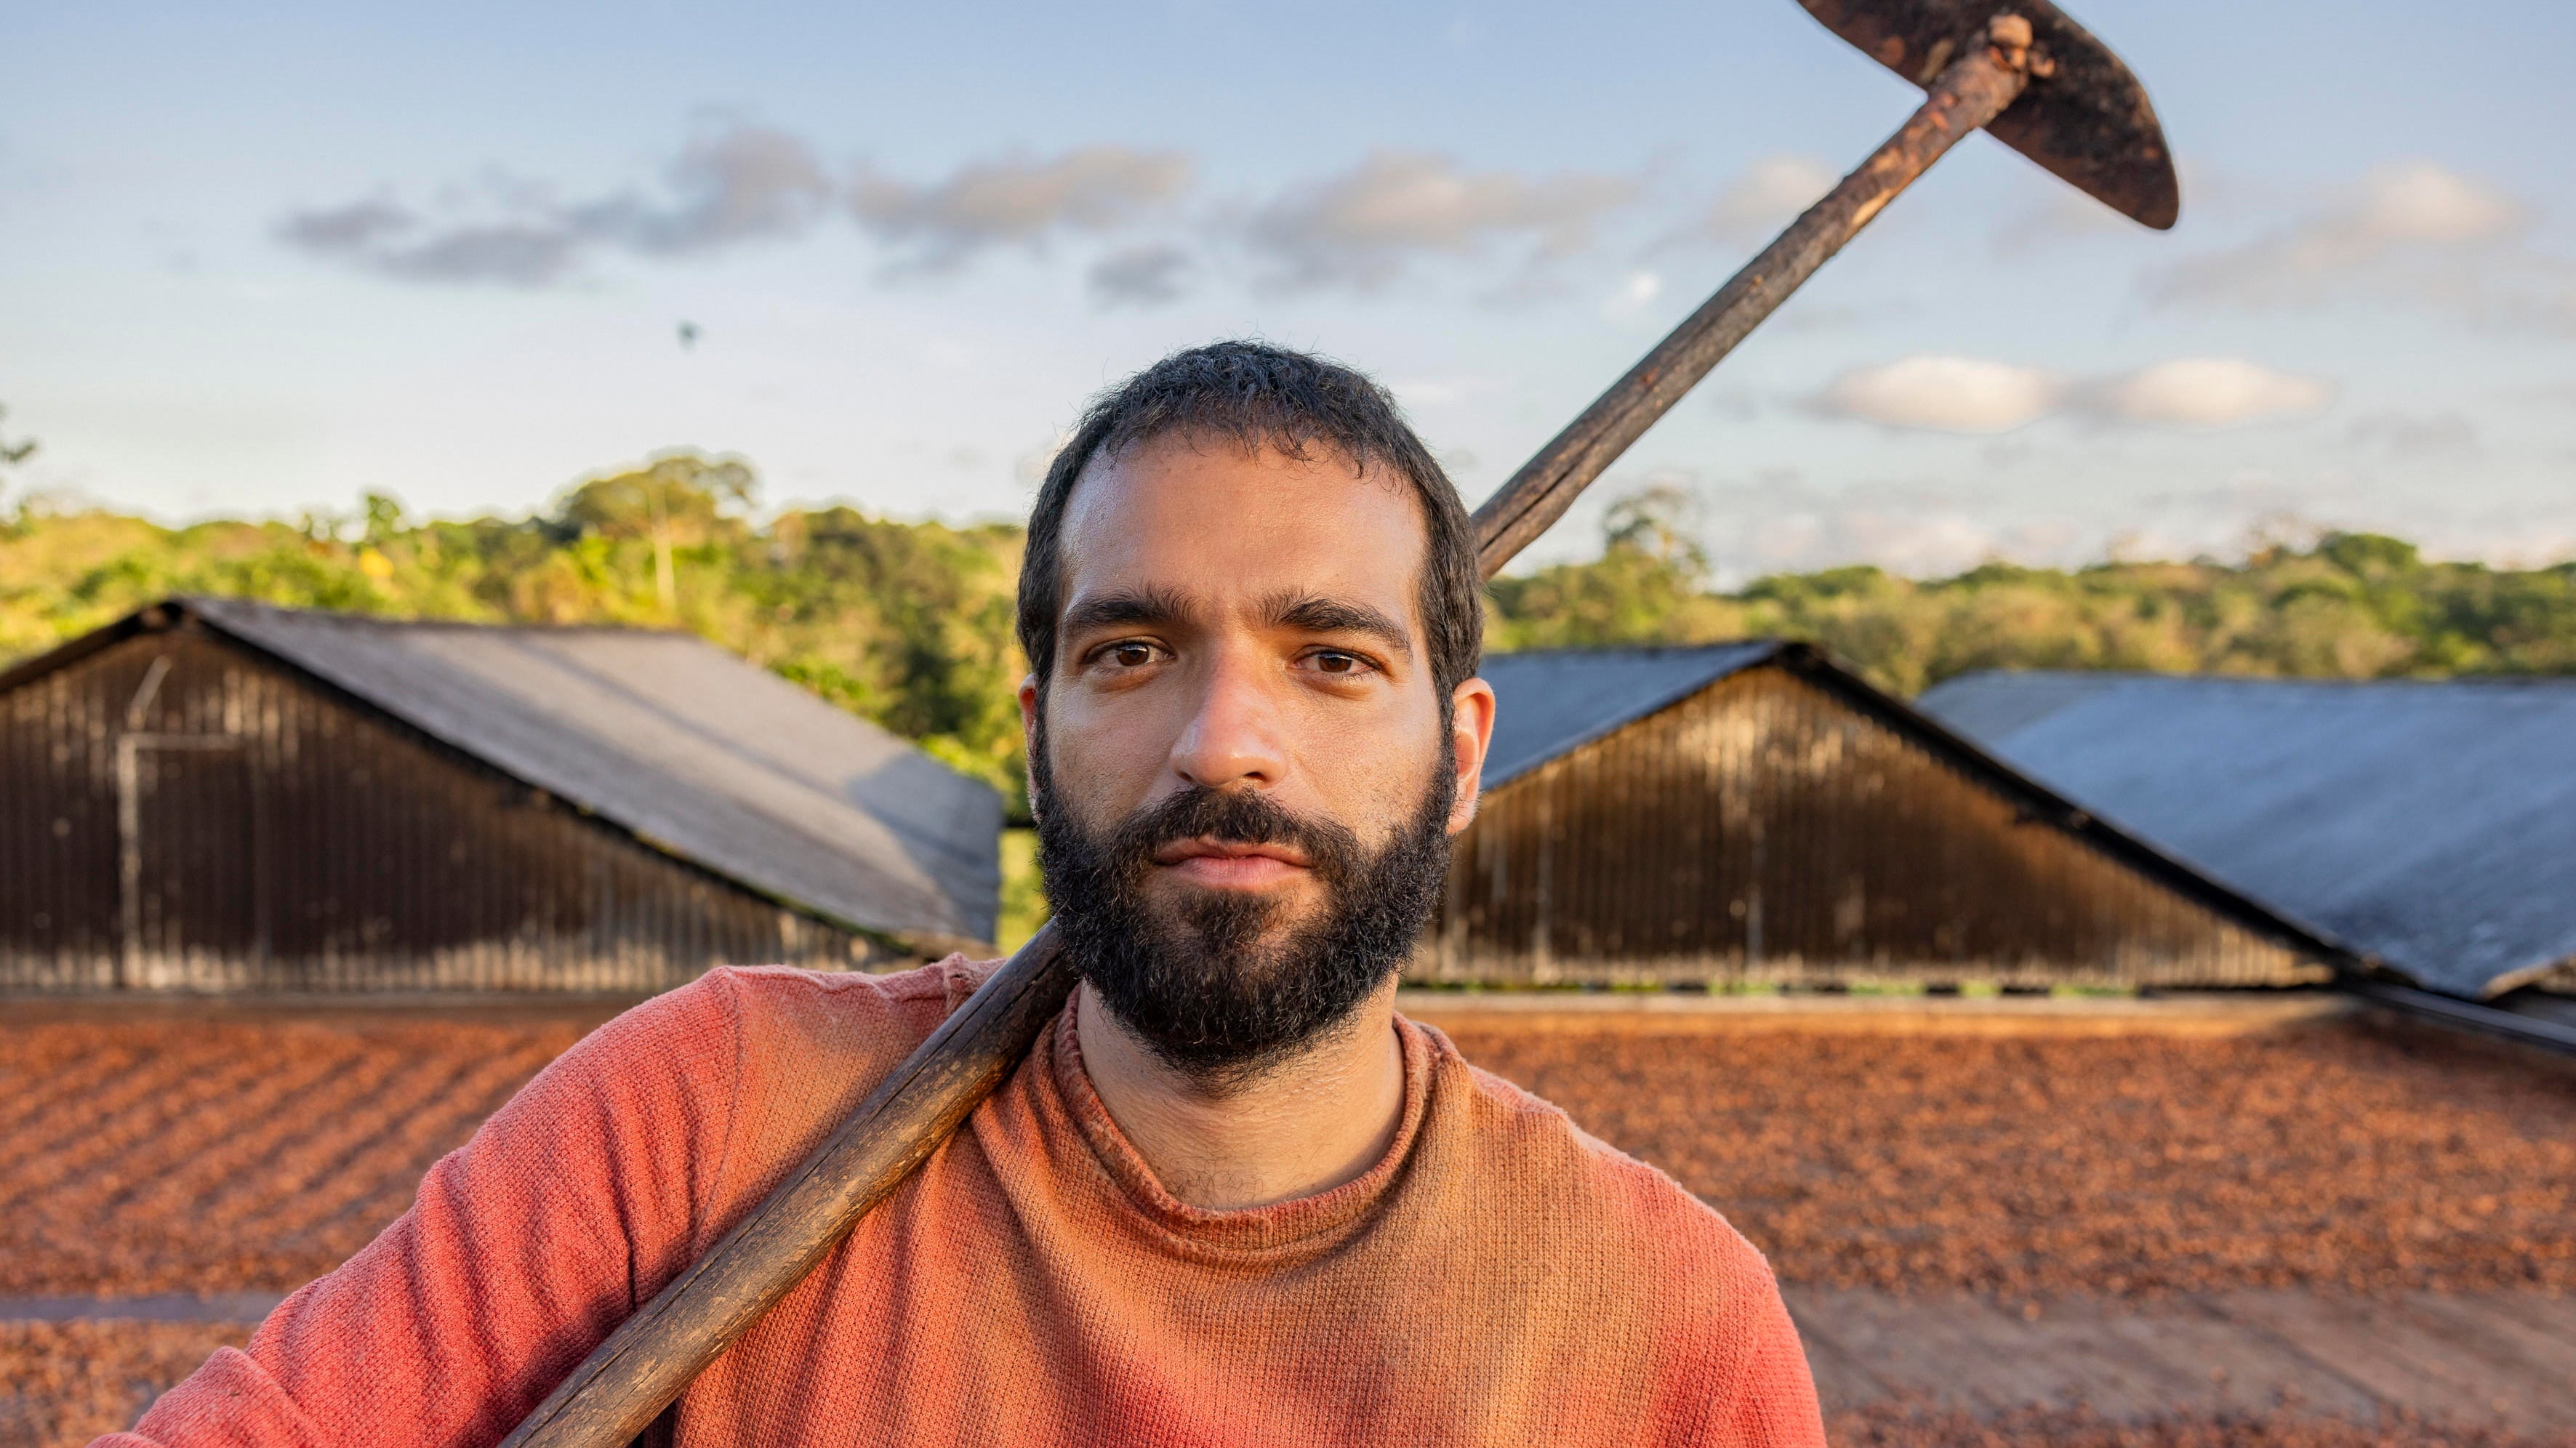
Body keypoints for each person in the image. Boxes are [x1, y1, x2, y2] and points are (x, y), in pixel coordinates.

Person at [109, 342, 1826, 1447]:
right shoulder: (710, 1117)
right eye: (1131, 650)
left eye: (1329, 657)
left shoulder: (1663, 1325)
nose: (1222, 742)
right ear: (1034, 731)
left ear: (1456, 753)